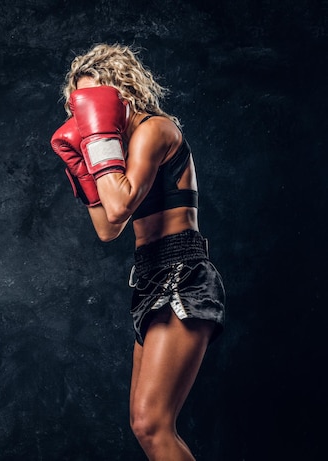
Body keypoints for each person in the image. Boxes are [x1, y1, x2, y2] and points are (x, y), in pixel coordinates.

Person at [50, 43, 225, 460]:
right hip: (150, 275)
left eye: (95, 101)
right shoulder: (118, 149)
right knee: (141, 423)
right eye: (81, 107)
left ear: (121, 93)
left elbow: (119, 204)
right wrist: (85, 169)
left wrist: (97, 145)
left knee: (152, 424)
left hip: (184, 273)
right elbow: (108, 228)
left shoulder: (155, 129)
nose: (87, 117)